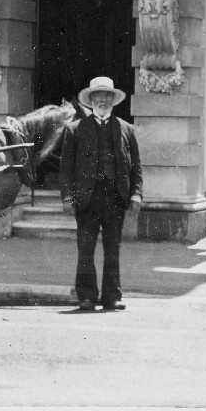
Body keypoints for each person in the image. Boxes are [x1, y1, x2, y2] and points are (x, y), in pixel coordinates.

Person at [59, 76, 142, 312]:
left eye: (107, 96)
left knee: (112, 248)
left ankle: (112, 296)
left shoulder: (126, 129)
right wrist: (67, 198)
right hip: (87, 199)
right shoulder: (75, 130)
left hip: (116, 197)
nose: (103, 100)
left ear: (114, 100)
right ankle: (86, 296)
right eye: (98, 96)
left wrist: (136, 194)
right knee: (85, 249)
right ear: (91, 100)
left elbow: (136, 166)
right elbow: (65, 170)